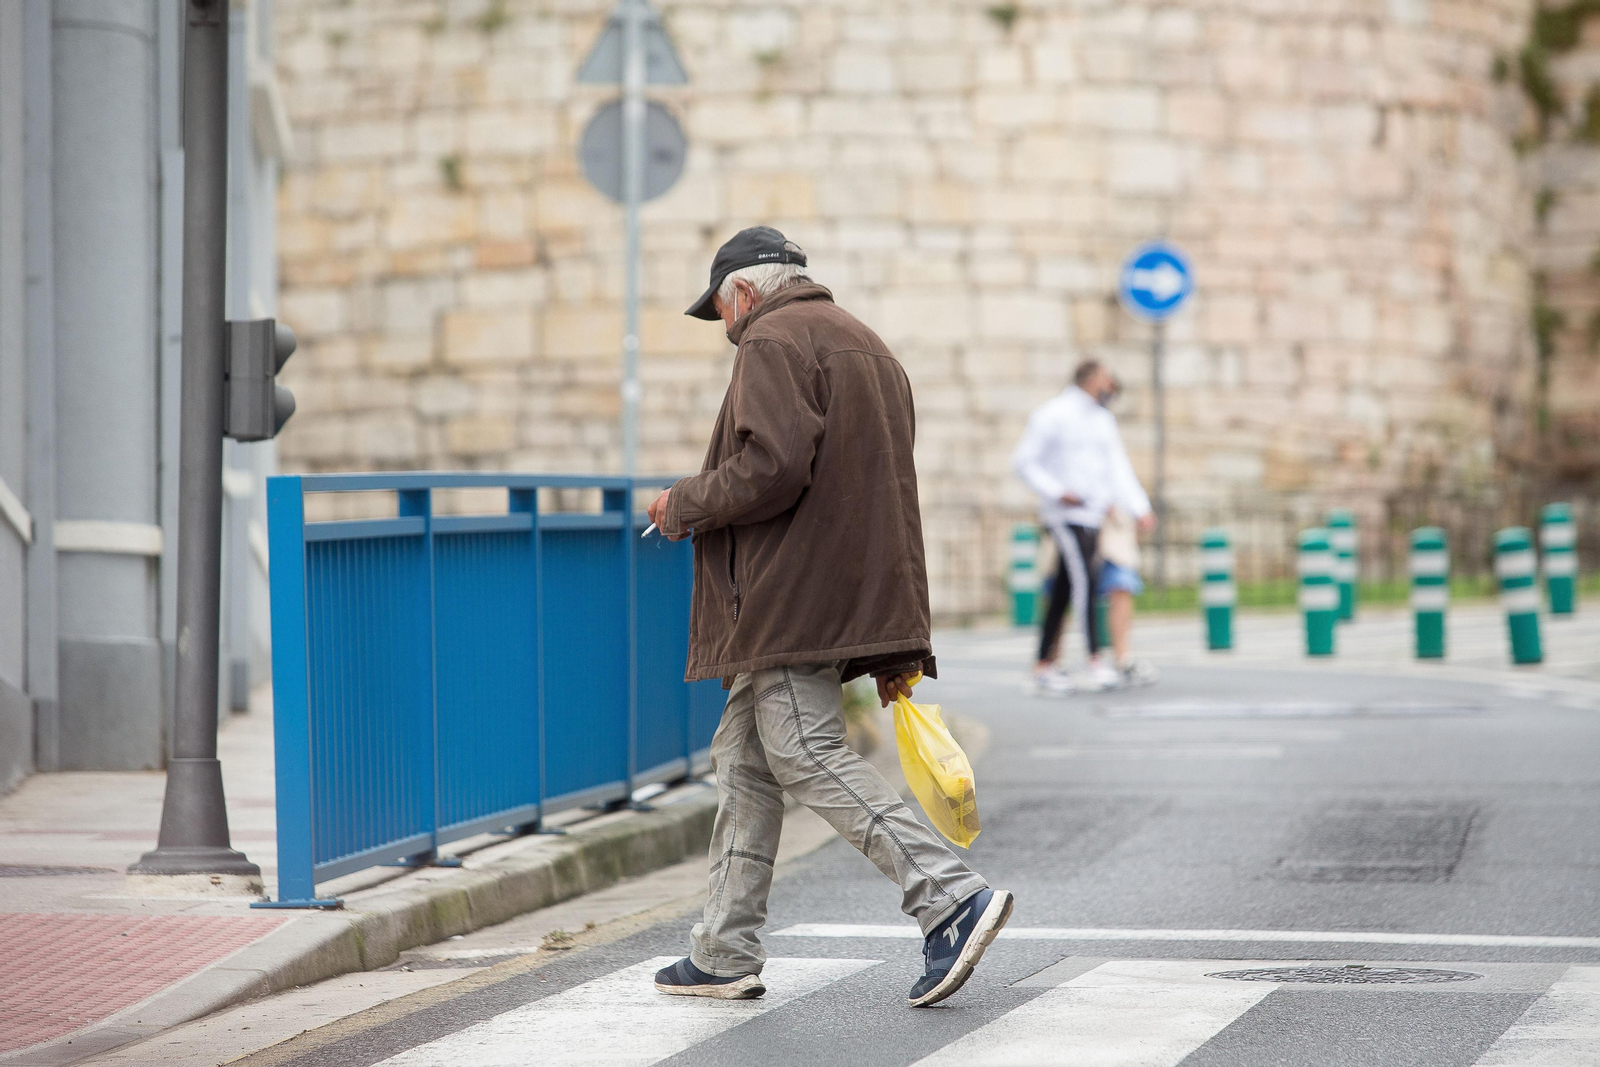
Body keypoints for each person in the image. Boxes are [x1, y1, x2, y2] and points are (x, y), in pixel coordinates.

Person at [646, 226, 1013, 1008]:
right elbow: (886, 500)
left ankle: (948, 895)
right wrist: (893, 634)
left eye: (721, 313)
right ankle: (722, 949)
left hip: (790, 598)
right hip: (843, 592)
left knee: (803, 750)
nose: (727, 330)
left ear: (742, 291)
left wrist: (683, 503)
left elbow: (769, 468)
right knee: (744, 760)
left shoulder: (772, 340)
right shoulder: (870, 346)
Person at [1012, 360, 1154, 693]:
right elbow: (1024, 462)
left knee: (1063, 591)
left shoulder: (1102, 420)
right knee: (1085, 585)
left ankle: (1044, 665)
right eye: (1106, 381)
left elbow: (1117, 468)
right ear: (1091, 380)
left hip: (1094, 517)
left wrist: (1140, 507)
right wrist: (1059, 493)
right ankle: (1094, 660)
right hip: (1066, 518)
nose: (1111, 387)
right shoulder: (1054, 414)